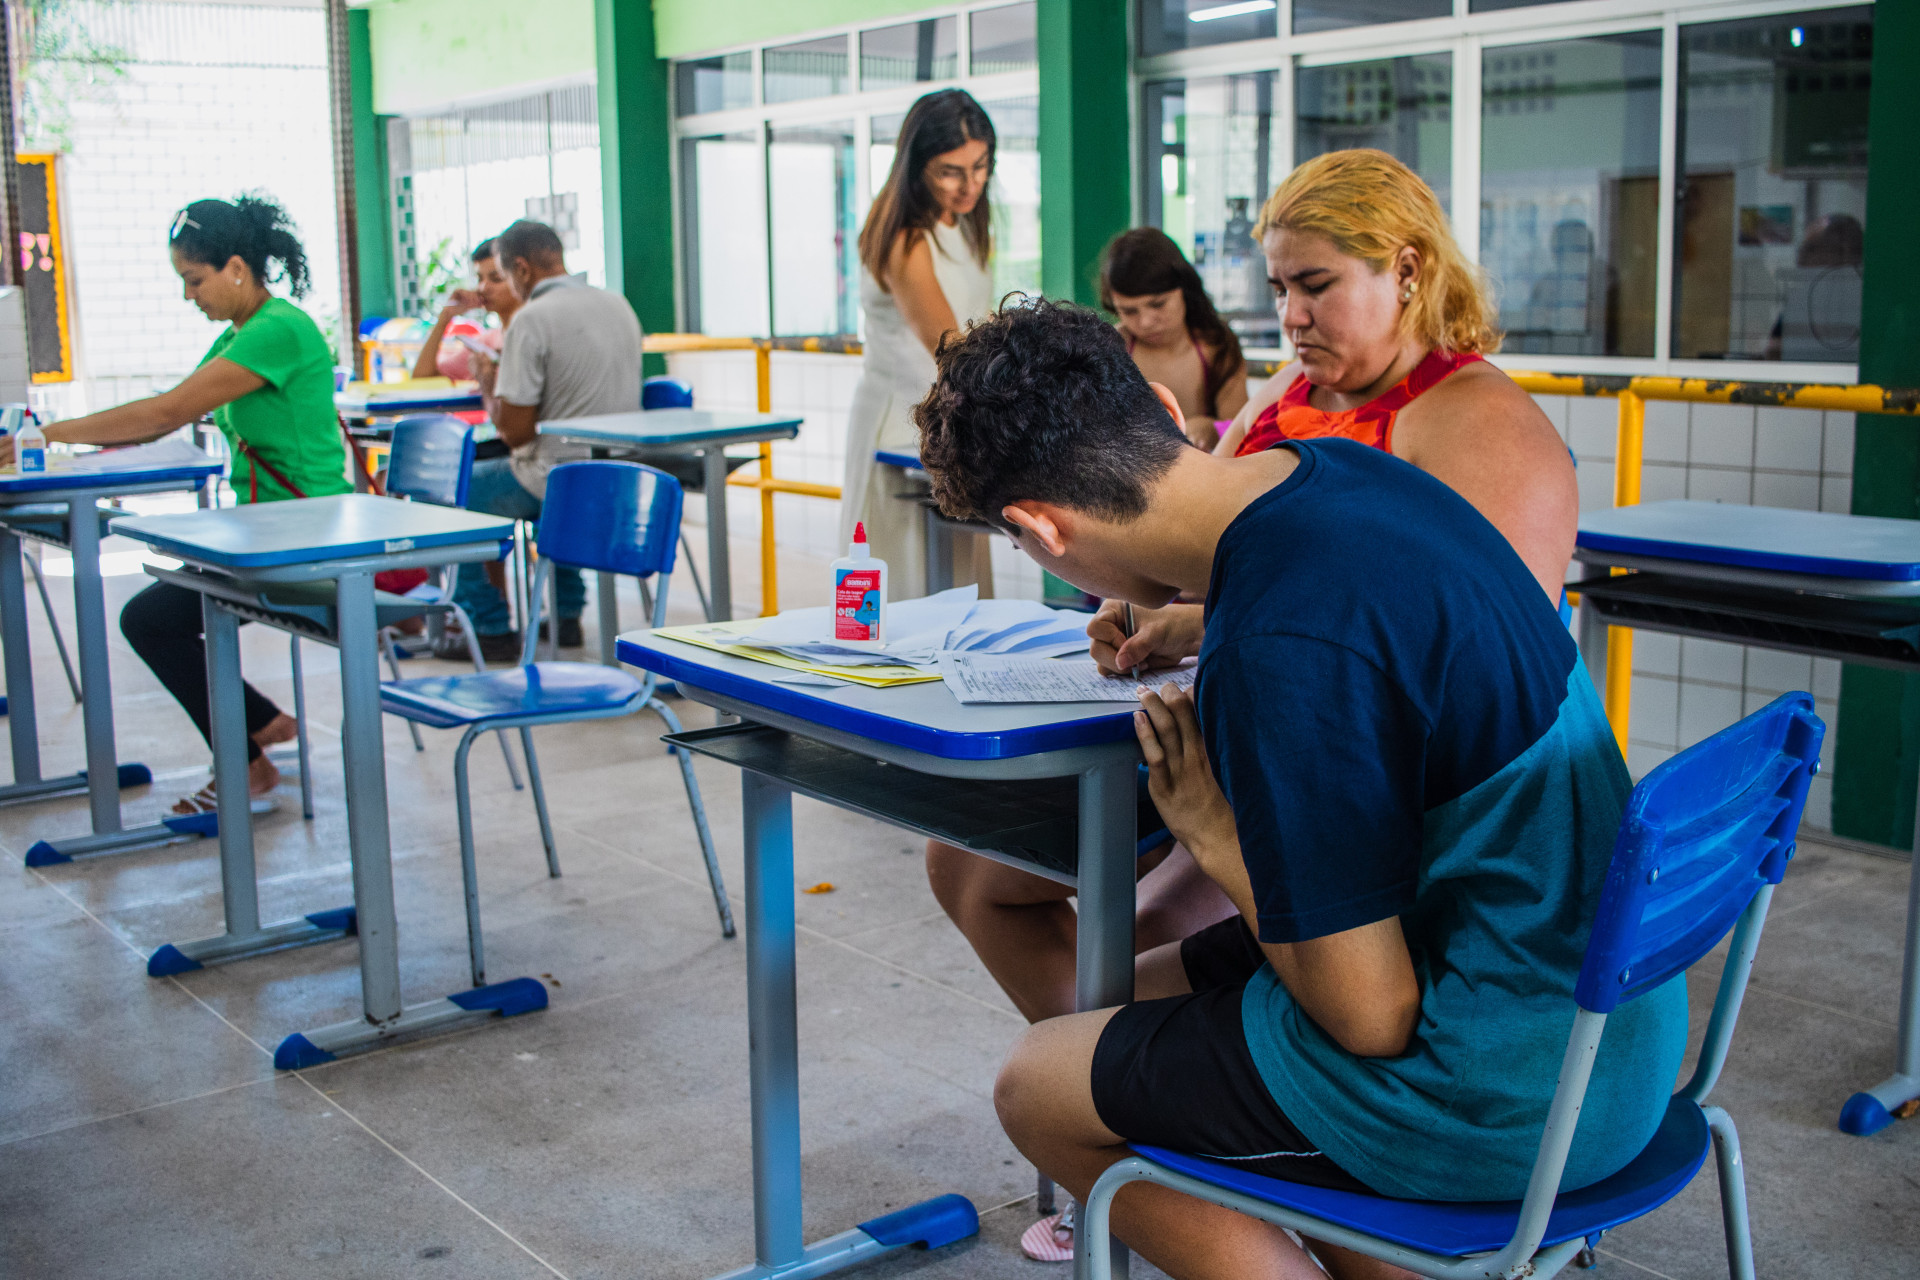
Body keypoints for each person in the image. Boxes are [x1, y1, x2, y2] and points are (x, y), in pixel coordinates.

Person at [914, 298, 1686, 1280]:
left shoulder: (1279, 649)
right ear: (1156, 403)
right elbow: (1365, 610)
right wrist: (1200, 625)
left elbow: (1374, 1017)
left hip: (1506, 1081)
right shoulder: (1343, 474)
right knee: (1102, 1008)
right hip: (1603, 1012)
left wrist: (1212, 827)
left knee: (1037, 1084)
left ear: (1038, 528)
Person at [0, 195, 350, 814]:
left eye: (194, 280)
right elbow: (161, 412)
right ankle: (259, 728)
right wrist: (50, 438)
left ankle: (249, 761)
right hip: (267, 527)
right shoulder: (243, 334)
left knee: (153, 619)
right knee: (163, 612)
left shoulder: (277, 332)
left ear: (236, 267)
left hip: (303, 532)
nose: (191, 296)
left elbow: (166, 412)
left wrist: (46, 436)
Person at [453, 218, 642, 659]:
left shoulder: (532, 319)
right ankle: (566, 615)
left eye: (501, 273)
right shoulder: (618, 304)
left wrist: (486, 382)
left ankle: (488, 627)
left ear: (521, 269)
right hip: (623, 473)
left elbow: (515, 433)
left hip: (559, 478)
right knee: (551, 480)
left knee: (460, 491)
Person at [843, 88, 998, 600]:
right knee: (906, 588)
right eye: (951, 171)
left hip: (949, 417)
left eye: (981, 166)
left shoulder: (965, 224)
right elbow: (953, 347)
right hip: (901, 425)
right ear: (916, 166)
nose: (969, 184)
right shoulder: (906, 237)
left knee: (960, 586)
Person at [1099, 227, 1247, 450]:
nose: (1146, 322)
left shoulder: (1217, 347)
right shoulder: (1111, 349)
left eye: (1158, 304)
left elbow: (1244, 428)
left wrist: (1212, 428)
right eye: (1129, 311)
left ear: (1185, 291)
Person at [409, 237, 519, 384]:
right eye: (480, 279)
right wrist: (445, 317)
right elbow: (422, 378)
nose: (483, 288)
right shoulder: (484, 346)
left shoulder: (536, 335)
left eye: (496, 279)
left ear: (520, 278)